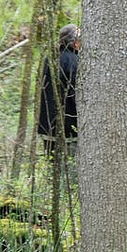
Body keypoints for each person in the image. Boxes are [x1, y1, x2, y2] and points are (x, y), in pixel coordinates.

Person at [37, 24, 80, 155]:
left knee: (51, 166)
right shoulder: (74, 61)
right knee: (69, 167)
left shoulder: (50, 57)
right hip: (68, 128)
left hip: (47, 125)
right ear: (75, 42)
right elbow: (76, 94)